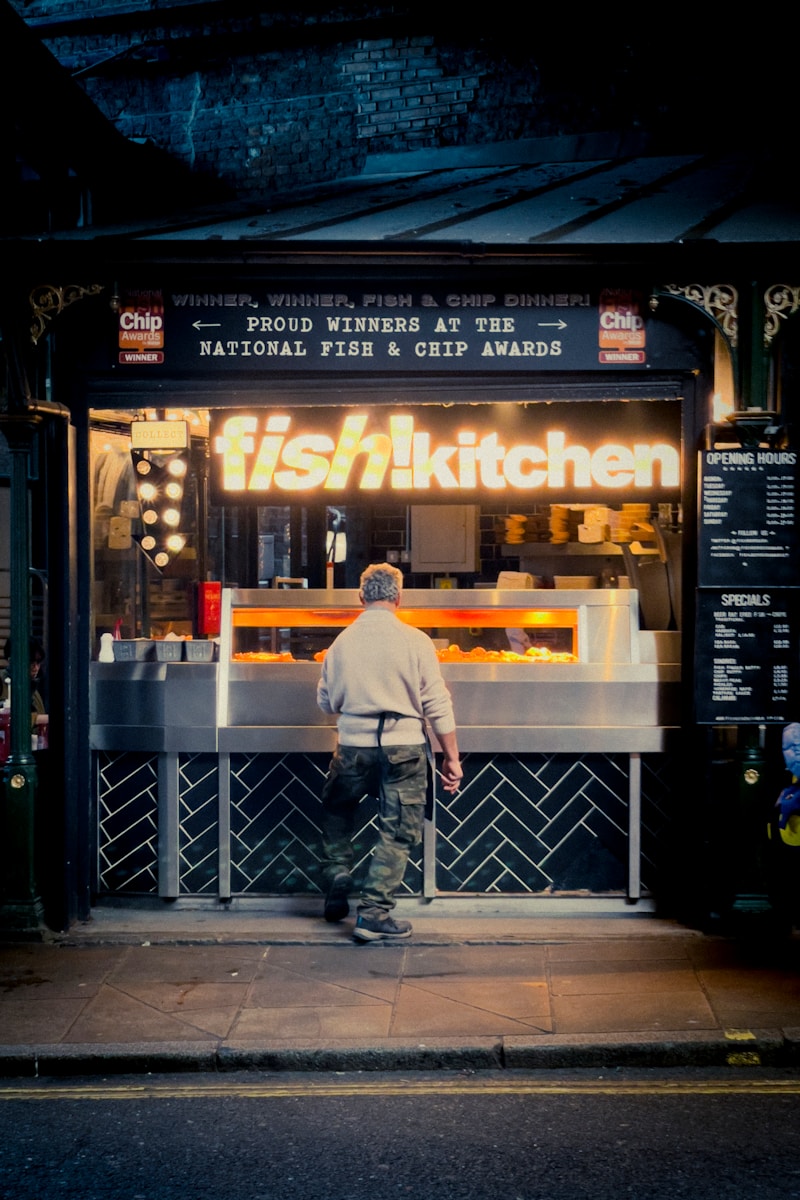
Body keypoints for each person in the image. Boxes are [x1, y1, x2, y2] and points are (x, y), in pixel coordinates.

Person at [317, 562, 462, 942]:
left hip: (352, 745)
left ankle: (337, 872)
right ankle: (373, 913)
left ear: (361, 597)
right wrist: (451, 757)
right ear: (399, 597)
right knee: (398, 830)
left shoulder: (340, 643)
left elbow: (326, 701)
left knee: (337, 811)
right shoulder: (415, 640)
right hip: (404, 746)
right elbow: (437, 703)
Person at [1, 637, 46, 715]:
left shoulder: (34, 691)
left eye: (38, 662)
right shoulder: (2, 682)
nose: (36, 668)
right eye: (31, 662)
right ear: (12, 661)